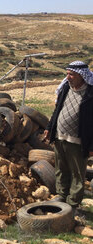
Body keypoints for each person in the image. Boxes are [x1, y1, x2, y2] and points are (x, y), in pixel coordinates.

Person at [44, 60, 93, 212]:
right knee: (61, 168)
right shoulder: (65, 87)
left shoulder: (91, 93)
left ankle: (73, 203)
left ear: (81, 76)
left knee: (78, 172)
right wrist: (49, 128)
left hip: (78, 141)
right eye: (67, 74)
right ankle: (61, 194)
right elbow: (57, 109)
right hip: (60, 136)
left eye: (71, 74)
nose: (68, 77)